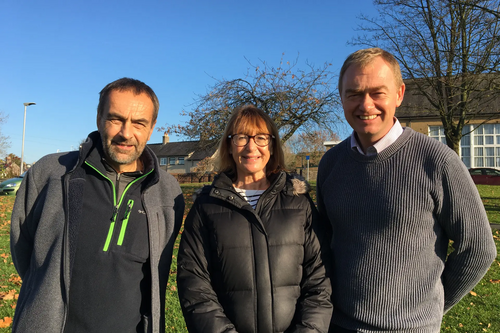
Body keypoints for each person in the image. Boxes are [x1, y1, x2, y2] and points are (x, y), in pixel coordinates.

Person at [317, 48, 497, 333]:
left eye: (378, 92)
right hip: (337, 324)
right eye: (354, 93)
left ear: (399, 94)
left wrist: (431, 307)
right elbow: (324, 242)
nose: (366, 105)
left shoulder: (438, 161)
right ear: (341, 97)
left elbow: (478, 249)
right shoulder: (331, 164)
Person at [10, 78, 185, 333]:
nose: (126, 133)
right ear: (98, 117)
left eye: (138, 123)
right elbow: (22, 248)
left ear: (152, 128)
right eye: (115, 119)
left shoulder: (168, 193)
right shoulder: (50, 173)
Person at [177, 105, 332, 333]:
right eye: (241, 137)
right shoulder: (206, 206)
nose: (252, 147)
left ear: (272, 145)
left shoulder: (298, 203)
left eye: (261, 138)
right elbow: (194, 284)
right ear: (229, 145)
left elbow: (319, 279)